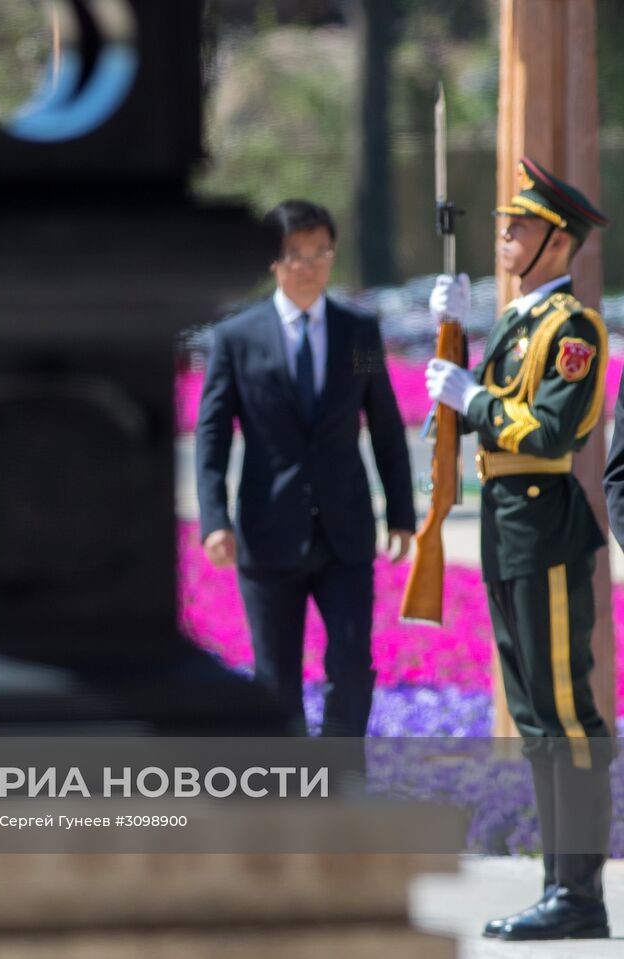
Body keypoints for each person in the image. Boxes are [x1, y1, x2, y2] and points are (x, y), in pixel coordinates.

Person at [427, 156, 611, 942]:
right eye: (504, 225)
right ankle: (556, 884)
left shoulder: (573, 330)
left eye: (521, 227)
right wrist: (459, 336)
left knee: (567, 717)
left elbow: (551, 431)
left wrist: (470, 395)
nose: (504, 234)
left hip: (546, 524)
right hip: (507, 527)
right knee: (537, 717)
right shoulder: (519, 319)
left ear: (559, 243)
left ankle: (578, 892)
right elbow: (486, 411)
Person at [195, 199, 414, 737]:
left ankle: (342, 785)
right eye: (296, 254)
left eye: (321, 253)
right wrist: (213, 518)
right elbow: (213, 432)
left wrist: (403, 513)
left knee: (351, 670)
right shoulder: (237, 339)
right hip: (268, 535)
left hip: (344, 533)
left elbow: (383, 421)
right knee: (275, 679)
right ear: (274, 260)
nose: (309, 266)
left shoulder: (358, 335)